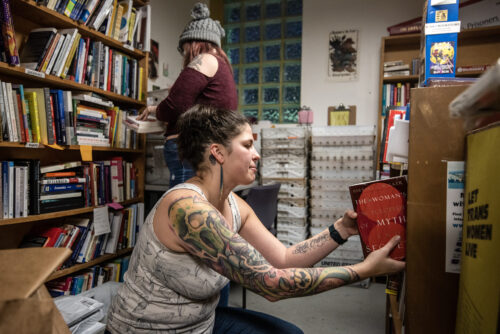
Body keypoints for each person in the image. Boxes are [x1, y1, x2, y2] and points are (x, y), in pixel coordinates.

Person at [106, 105, 406, 333]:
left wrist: (340, 230)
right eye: (248, 145)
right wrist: (364, 270)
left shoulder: (234, 204)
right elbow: (271, 283)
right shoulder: (186, 208)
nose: (257, 154)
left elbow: (284, 259)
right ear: (218, 153)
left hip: (202, 325)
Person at [138, 2, 236, 189]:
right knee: (198, 209)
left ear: (194, 43)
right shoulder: (223, 67)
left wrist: (157, 111)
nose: (184, 54)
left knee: (184, 208)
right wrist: (158, 112)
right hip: (207, 149)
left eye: (184, 49)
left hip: (189, 150)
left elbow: (176, 105)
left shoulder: (205, 59)